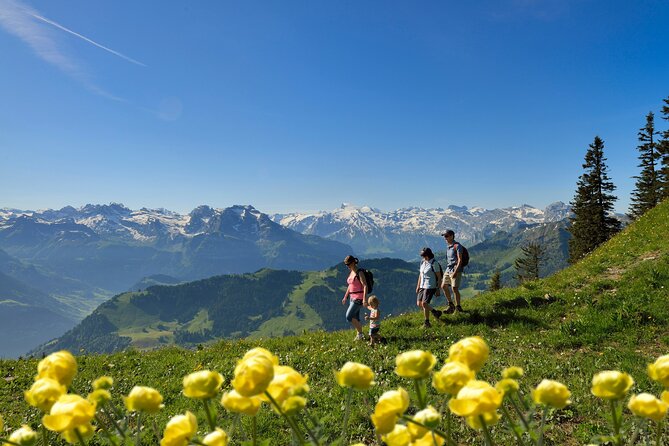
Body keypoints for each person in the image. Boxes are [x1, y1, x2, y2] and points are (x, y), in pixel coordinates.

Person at [341, 255, 368, 341]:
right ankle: (359, 336)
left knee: (349, 316)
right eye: (346, 265)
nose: (347, 266)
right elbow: (350, 285)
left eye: (348, 264)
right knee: (355, 318)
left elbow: (365, 285)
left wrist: (364, 299)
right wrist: (345, 297)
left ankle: (360, 333)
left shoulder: (359, 272)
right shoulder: (352, 272)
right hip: (352, 298)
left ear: (353, 262)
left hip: (358, 298)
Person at [416, 247, 443, 328]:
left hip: (430, 286)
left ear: (428, 255)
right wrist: (418, 286)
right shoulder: (422, 262)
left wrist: (438, 289)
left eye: (424, 256)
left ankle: (427, 323)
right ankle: (435, 312)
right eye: (422, 256)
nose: (423, 257)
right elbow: (420, 275)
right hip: (422, 286)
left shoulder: (434, 263)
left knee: (424, 303)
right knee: (419, 303)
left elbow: (439, 277)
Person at [440, 230, 464, 313]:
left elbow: (460, 260)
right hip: (448, 269)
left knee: (454, 288)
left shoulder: (457, 246)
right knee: (443, 286)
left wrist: (455, 272)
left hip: (455, 269)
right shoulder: (448, 246)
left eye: (446, 236)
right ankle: (451, 305)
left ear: (451, 236)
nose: (445, 238)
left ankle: (458, 307)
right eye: (444, 236)